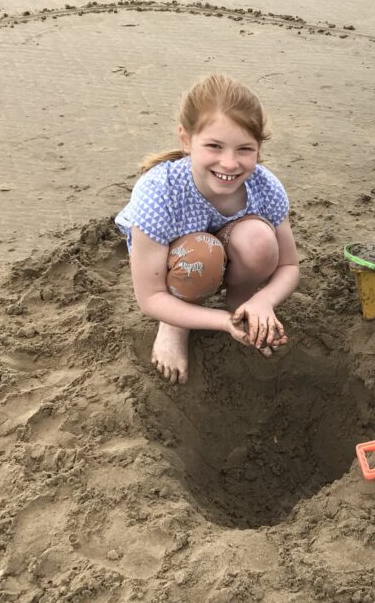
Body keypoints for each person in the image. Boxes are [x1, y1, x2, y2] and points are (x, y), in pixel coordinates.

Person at [116, 74, 300, 383]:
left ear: (258, 148)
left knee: (259, 239)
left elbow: (289, 266)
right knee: (202, 255)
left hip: (235, 247)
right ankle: (176, 324)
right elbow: (150, 297)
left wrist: (263, 301)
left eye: (244, 149)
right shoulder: (159, 191)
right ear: (186, 140)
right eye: (214, 146)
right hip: (180, 262)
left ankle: (241, 304)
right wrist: (222, 322)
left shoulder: (265, 186)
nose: (229, 163)